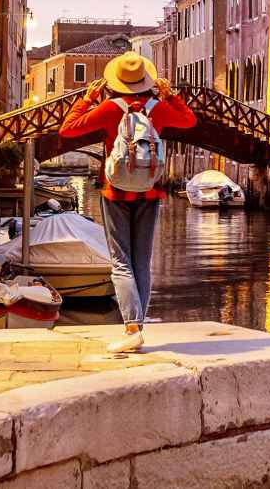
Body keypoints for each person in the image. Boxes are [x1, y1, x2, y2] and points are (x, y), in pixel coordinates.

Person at [60, 52, 195, 352]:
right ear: (145, 81)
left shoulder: (109, 109)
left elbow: (67, 128)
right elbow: (189, 120)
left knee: (121, 262)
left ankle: (132, 327)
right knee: (141, 262)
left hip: (115, 192)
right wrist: (170, 95)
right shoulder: (157, 109)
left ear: (114, 82)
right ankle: (138, 326)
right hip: (150, 191)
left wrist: (88, 97)